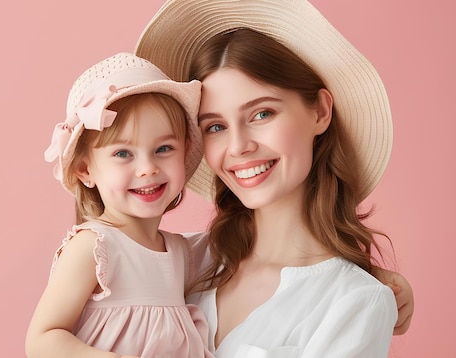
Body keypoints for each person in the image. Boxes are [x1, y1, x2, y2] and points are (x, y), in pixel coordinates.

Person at [135, 0, 412, 356]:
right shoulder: (180, 261)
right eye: (216, 126)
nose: (238, 146)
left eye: (262, 113)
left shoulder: (355, 301)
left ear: (320, 111)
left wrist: (368, 285)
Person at [25, 52, 213, 358]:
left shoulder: (182, 254)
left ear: (185, 151)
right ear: (85, 169)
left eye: (164, 148)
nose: (147, 168)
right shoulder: (94, 248)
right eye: (123, 154)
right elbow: (42, 339)